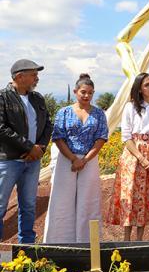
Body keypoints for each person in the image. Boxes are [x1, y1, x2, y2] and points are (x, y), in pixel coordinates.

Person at [44, 74, 108, 243]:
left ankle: (88, 244)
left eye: (90, 93)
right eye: (83, 92)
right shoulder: (63, 112)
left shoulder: (99, 114)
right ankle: (58, 244)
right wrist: (73, 159)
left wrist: (84, 160)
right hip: (66, 160)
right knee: (61, 202)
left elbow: (101, 138)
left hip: (89, 160)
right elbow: (58, 137)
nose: (86, 96)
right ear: (75, 92)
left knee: (89, 202)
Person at [108, 72, 149, 241]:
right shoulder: (130, 108)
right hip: (133, 154)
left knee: (147, 195)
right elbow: (126, 137)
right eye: (147, 85)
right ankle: (126, 239)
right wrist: (140, 158)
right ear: (140, 90)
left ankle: (139, 239)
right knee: (130, 194)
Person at [0, 59, 51, 243]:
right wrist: (29, 147)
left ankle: (26, 251)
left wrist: (39, 149)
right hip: (8, 161)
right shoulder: (3, 97)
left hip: (32, 161)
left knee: (29, 205)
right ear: (20, 77)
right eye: (33, 74)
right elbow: (1, 128)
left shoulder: (37, 98)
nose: (37, 78)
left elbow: (47, 125)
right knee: (1, 206)